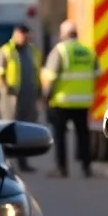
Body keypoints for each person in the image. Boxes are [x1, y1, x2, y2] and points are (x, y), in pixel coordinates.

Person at [42, 19, 98, 178]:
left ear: (64, 34)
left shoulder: (60, 50)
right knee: (83, 136)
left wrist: (46, 96)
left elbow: (51, 76)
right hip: (82, 101)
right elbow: (96, 73)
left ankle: (62, 168)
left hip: (62, 101)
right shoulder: (88, 51)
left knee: (60, 137)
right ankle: (87, 167)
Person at [0, 23, 43, 172]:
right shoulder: (6, 51)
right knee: (9, 131)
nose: (26, 38)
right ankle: (6, 164)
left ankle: (23, 162)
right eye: (23, 35)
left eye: (28, 35)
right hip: (11, 99)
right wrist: (5, 89)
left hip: (28, 97)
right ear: (16, 34)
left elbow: (37, 74)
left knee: (24, 132)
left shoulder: (32, 52)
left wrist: (39, 94)